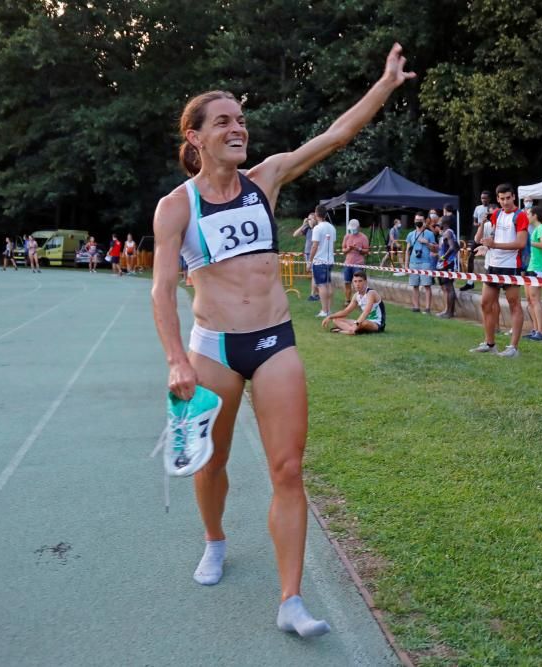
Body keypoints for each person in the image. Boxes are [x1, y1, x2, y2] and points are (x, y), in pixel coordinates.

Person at [150, 43, 415, 636]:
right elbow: (162, 290)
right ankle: (215, 540)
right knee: (209, 463)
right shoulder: (176, 208)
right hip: (213, 347)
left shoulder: (264, 178)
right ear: (194, 137)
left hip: (274, 341)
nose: (237, 128)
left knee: (288, 469)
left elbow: (336, 136)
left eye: (240, 119)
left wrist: (386, 84)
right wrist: (175, 360)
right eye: (223, 122)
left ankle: (290, 600)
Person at [469, 184, 528, 357]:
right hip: (493, 264)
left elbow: (520, 243)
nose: (505, 202)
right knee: (485, 303)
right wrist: (486, 247)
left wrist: (494, 245)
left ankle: (513, 348)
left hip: (511, 266)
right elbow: (487, 237)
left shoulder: (521, 215)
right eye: (502, 199)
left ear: (514, 197)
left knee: (514, 305)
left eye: (508, 198)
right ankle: (490, 343)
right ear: (498, 199)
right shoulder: (496, 214)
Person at [524, 205, 542, 340]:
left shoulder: (541, 228)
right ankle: (535, 329)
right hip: (531, 267)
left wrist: (529, 243)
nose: (527, 216)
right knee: (529, 300)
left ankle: (541, 331)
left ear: (535, 215)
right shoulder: (535, 229)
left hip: (537, 268)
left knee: (535, 300)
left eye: (529, 214)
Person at [460, 190, 492, 291]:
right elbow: (474, 222)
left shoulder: (493, 208)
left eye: (485, 198)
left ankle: (497, 282)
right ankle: (470, 282)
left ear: (489, 199)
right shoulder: (478, 208)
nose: (484, 200)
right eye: (482, 198)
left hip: (491, 235)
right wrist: (479, 224)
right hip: (480, 233)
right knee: (470, 256)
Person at [308, 205, 335, 318]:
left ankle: (325, 310)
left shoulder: (317, 228)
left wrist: (309, 261)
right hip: (329, 260)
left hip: (320, 260)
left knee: (321, 286)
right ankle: (328, 309)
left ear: (316, 214)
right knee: (328, 284)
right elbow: (332, 244)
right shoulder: (332, 227)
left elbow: (315, 245)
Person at [405, 213, 435, 313]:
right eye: (417, 219)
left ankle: (427, 308)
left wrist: (426, 242)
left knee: (427, 285)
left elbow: (434, 249)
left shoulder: (429, 234)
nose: (418, 221)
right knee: (415, 285)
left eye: (420, 220)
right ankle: (416, 307)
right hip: (413, 263)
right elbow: (407, 250)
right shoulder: (410, 234)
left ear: (424, 221)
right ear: (414, 220)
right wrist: (406, 265)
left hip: (426, 262)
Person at [341, 219, 370, 304]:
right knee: (347, 282)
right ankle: (347, 300)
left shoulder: (363, 237)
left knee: (359, 284)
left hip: (358, 263)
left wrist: (359, 249)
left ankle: (360, 301)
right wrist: (348, 249)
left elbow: (367, 251)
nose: (353, 230)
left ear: (358, 227)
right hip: (348, 263)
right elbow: (343, 250)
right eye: (352, 228)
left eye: (354, 228)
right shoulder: (347, 236)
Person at [435, 215, 459, 318]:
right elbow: (457, 246)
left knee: (449, 287)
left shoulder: (448, 232)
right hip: (443, 264)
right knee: (445, 287)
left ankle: (449, 312)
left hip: (447, 264)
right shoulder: (445, 233)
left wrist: (444, 257)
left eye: (439, 221)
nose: (438, 224)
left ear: (444, 223)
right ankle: (447, 310)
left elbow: (453, 247)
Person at [293, 213, 319, 300]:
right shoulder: (307, 228)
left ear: (316, 219)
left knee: (315, 274)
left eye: (311, 219)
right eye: (308, 219)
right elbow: (295, 234)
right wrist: (303, 224)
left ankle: (313, 294)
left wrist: (312, 226)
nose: (309, 221)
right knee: (314, 274)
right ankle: (317, 293)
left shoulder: (318, 228)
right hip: (307, 253)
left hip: (316, 253)